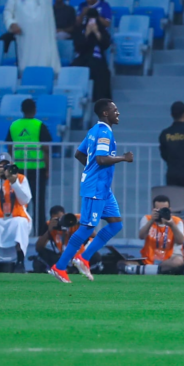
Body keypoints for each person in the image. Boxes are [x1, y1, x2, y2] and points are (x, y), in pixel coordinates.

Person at [51, 99, 134, 283]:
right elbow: (101, 159)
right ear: (105, 113)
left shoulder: (94, 131)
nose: (118, 113)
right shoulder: (103, 132)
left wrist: (91, 171)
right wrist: (123, 158)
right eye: (115, 110)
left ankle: (83, 258)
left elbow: (79, 154)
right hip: (96, 187)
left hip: (103, 187)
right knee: (87, 227)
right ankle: (60, 266)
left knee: (115, 224)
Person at [5, 98, 52, 235]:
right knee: (39, 203)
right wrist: (48, 169)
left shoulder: (14, 125)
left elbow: (10, 149)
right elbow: (46, 149)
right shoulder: (39, 125)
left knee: (19, 202)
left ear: (22, 110)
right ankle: (40, 233)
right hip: (37, 168)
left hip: (19, 170)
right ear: (34, 110)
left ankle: (18, 232)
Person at [4, 0, 61, 73]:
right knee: (28, 63)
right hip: (26, 38)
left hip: (44, 37)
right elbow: (7, 12)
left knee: (46, 62)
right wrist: (12, 24)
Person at [0, 153, 32, 274]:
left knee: (20, 224)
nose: (4, 169)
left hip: (17, 216)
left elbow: (25, 199)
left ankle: (20, 263)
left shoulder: (20, 178)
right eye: (1, 166)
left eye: (6, 165)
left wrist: (14, 182)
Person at [121, 195, 184, 275]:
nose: (161, 213)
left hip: (168, 259)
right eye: (158, 210)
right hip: (149, 257)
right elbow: (141, 236)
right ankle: (155, 270)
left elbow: (180, 241)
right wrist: (152, 220)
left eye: (164, 210)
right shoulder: (147, 219)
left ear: (169, 210)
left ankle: (148, 270)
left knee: (178, 262)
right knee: (123, 263)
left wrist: (172, 225)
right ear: (153, 210)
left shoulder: (177, 221)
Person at [34, 205, 98, 274]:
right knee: (43, 254)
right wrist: (49, 231)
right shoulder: (49, 225)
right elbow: (38, 248)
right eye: (57, 219)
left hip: (79, 253)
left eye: (61, 218)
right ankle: (67, 269)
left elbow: (94, 235)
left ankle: (75, 269)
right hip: (61, 255)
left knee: (95, 256)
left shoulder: (74, 219)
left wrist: (79, 224)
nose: (60, 221)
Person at [72, 7, 112, 101]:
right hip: (83, 57)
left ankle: (99, 98)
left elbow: (106, 45)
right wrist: (86, 33)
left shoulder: (102, 30)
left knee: (100, 70)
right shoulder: (81, 29)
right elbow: (77, 46)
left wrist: (97, 32)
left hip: (97, 57)